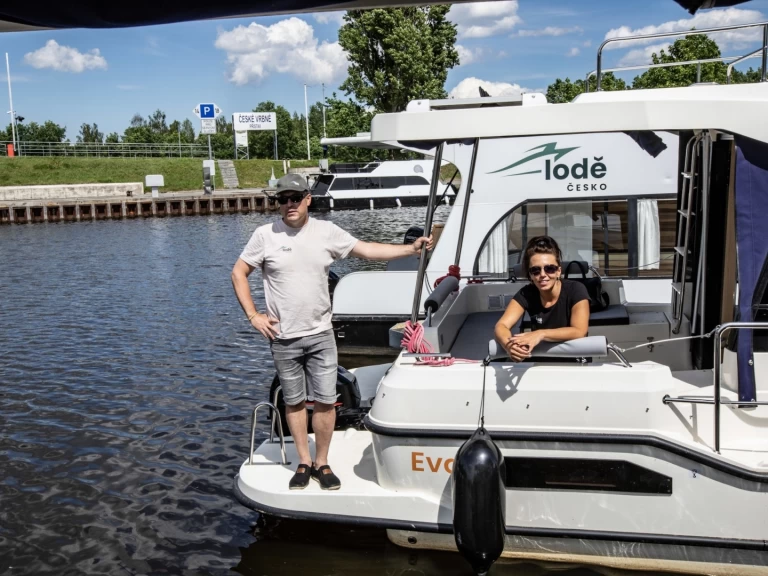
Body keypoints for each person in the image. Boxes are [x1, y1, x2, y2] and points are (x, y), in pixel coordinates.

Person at [231, 174, 433, 491]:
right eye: (282, 199)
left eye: (294, 197)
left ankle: (322, 461)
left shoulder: (326, 232)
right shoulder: (264, 235)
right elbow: (239, 273)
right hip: (283, 338)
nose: (288, 205)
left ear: (307, 198)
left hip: (321, 336)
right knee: (294, 403)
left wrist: (410, 250)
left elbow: (366, 250)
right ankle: (302, 461)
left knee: (326, 401)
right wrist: (253, 315)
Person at [494, 236, 589, 361]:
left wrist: (540, 334)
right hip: (539, 360)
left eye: (549, 268)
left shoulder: (576, 289)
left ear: (558, 271)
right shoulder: (526, 293)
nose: (543, 275)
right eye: (535, 270)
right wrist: (509, 346)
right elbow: (501, 325)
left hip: (574, 359)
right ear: (530, 275)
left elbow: (579, 331)